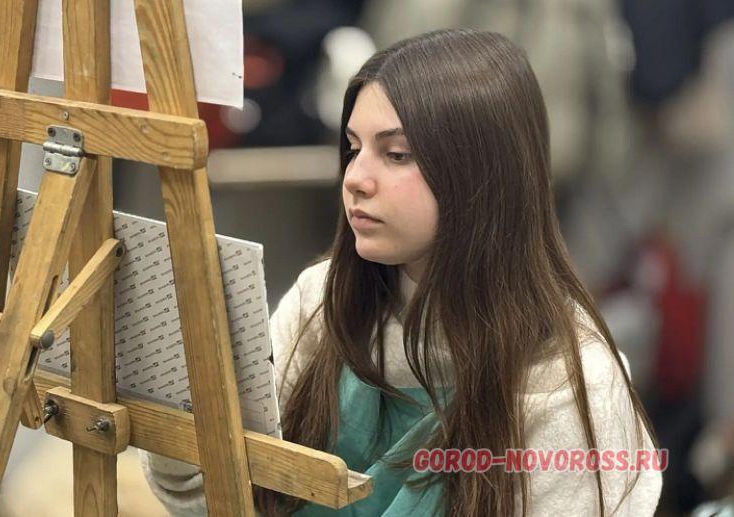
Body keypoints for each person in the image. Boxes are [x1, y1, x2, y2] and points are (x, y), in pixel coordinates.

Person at [141, 28, 663, 516]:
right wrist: (182, 404)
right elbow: (217, 496)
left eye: (396, 154)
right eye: (353, 149)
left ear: (481, 174)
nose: (356, 178)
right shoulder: (323, 300)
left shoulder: (568, 384)